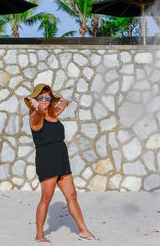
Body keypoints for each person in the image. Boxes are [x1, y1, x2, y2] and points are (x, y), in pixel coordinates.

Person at [24, 84, 96, 243]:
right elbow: (39, 113)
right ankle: (39, 234)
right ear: (35, 99)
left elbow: (64, 102)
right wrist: (37, 107)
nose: (44, 100)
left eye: (47, 97)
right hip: (47, 160)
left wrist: (57, 100)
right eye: (40, 97)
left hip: (61, 158)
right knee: (46, 198)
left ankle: (83, 231)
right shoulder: (34, 117)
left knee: (72, 195)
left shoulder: (54, 113)